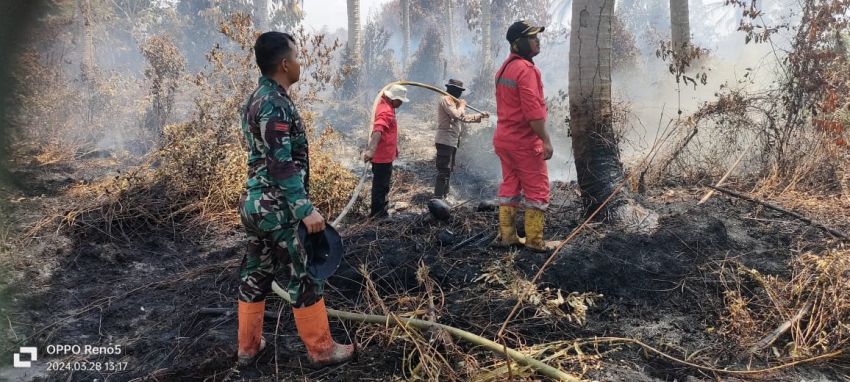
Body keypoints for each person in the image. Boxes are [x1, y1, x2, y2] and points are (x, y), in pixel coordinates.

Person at [236, 31, 353, 367]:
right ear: (285, 64)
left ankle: (248, 347)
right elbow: (280, 162)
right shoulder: (274, 103)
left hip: (255, 206)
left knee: (256, 273)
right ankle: (322, 350)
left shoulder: (256, 98)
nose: (301, 64)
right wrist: (305, 209)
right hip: (278, 207)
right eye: (298, 57)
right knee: (304, 273)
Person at [493, 21, 559, 252]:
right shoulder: (526, 70)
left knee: (510, 185)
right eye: (532, 38)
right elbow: (533, 112)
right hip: (523, 141)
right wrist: (546, 140)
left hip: (504, 139)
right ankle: (534, 241)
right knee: (537, 189)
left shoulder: (504, 69)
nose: (537, 41)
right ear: (518, 43)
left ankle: (507, 236)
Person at [433, 79, 489, 199]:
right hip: (445, 140)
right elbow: (456, 115)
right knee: (443, 170)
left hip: (452, 141)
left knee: (448, 170)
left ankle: (445, 196)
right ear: (452, 90)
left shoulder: (454, 103)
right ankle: (437, 198)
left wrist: (480, 116)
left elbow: (462, 117)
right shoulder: (446, 99)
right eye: (458, 91)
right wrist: (462, 105)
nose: (460, 94)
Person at [362, 84, 408, 218]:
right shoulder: (386, 110)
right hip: (382, 157)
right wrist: (371, 150)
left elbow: (388, 132)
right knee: (381, 186)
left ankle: (381, 210)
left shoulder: (385, 103)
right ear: (393, 98)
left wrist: (394, 149)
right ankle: (378, 215)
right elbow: (378, 130)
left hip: (385, 154)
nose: (401, 104)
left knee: (382, 184)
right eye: (400, 101)